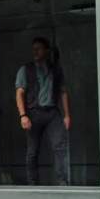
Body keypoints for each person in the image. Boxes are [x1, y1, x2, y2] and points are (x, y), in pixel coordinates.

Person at [15, 37, 71, 185]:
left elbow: (63, 92)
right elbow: (19, 93)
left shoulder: (55, 70)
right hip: (34, 112)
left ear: (46, 51)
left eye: (38, 49)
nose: (35, 51)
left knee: (60, 147)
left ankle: (63, 182)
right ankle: (33, 184)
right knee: (32, 151)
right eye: (33, 49)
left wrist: (67, 115)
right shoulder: (25, 70)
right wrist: (23, 115)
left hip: (52, 112)